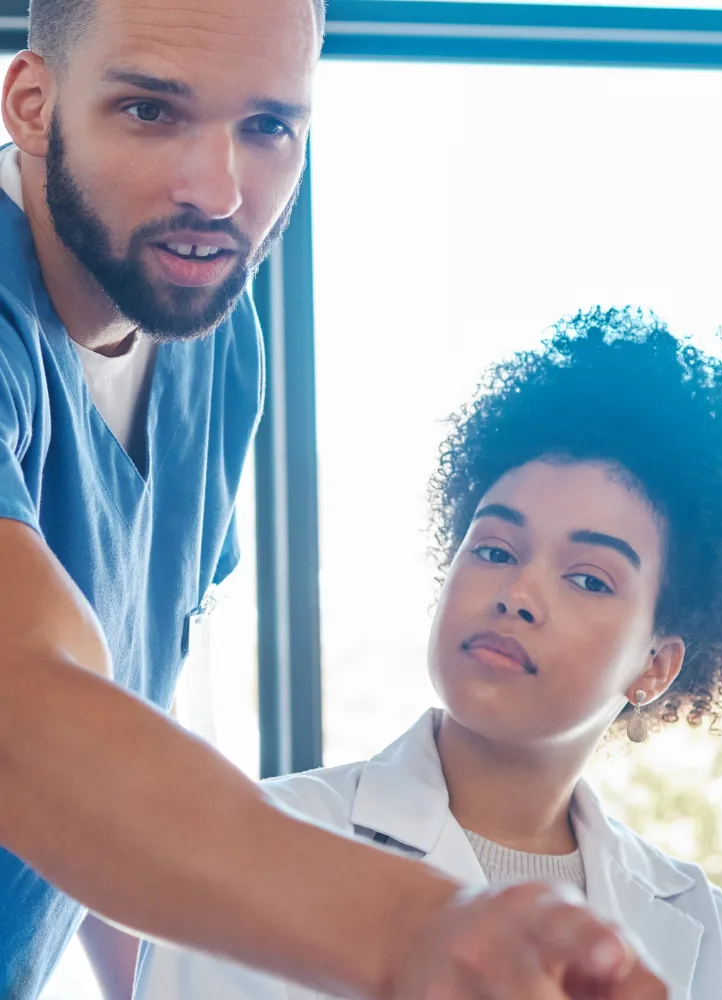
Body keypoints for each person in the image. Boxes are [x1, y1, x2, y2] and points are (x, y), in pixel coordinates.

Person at [0, 0, 667, 998]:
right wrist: (418, 929)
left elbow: (126, 711)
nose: (218, 192)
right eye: (150, 111)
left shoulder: (210, 334)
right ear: (33, 102)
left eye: (267, 126)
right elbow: (26, 710)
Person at [137, 307, 722, 1000]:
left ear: (657, 666)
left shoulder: (699, 924)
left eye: (587, 578)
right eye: (494, 549)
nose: (518, 592)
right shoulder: (267, 847)